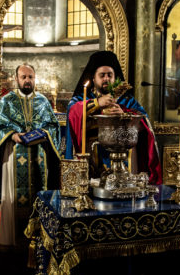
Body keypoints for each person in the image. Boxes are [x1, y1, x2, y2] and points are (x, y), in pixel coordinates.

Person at [0, 64, 61, 275]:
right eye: (23, 77)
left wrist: (43, 133)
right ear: (16, 79)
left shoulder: (43, 101)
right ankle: (13, 253)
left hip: (39, 159)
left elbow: (53, 127)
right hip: (13, 157)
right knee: (13, 203)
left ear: (35, 78)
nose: (27, 80)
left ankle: (40, 252)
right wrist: (12, 135)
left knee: (40, 201)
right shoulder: (6, 101)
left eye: (30, 77)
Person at [65, 50, 162, 185]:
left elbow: (144, 123)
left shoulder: (127, 101)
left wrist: (124, 114)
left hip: (123, 157)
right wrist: (97, 103)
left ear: (115, 77)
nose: (106, 79)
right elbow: (72, 112)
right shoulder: (82, 99)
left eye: (110, 75)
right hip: (92, 156)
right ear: (93, 78)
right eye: (102, 75)